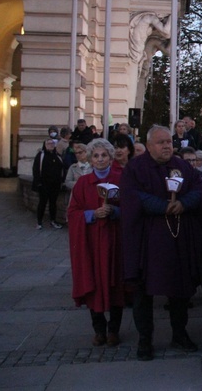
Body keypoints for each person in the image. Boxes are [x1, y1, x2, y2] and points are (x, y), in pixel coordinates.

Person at [120, 125, 202, 361]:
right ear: (148, 146)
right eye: (161, 142)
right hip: (147, 241)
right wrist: (162, 207)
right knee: (143, 292)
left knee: (180, 290)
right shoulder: (135, 168)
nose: (167, 146)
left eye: (169, 142)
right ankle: (145, 340)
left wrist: (184, 203)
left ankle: (179, 334)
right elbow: (132, 196)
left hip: (178, 240)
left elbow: (199, 188)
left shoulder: (182, 166)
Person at [67, 138, 124, 347]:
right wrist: (92, 213)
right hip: (91, 242)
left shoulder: (120, 178)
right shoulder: (83, 183)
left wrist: (115, 211)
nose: (100, 159)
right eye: (96, 156)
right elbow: (72, 213)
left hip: (114, 239)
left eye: (104, 155)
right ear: (90, 158)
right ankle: (99, 330)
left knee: (115, 283)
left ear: (110, 157)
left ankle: (114, 330)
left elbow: (131, 207)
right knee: (95, 283)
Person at [32, 138, 63, 230]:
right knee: (42, 203)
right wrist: (38, 183)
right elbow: (36, 170)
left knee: (53, 203)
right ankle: (39, 222)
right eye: (49, 144)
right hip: (44, 185)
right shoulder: (41, 156)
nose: (51, 145)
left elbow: (61, 169)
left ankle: (53, 220)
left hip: (55, 185)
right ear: (45, 145)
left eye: (52, 144)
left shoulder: (57, 156)